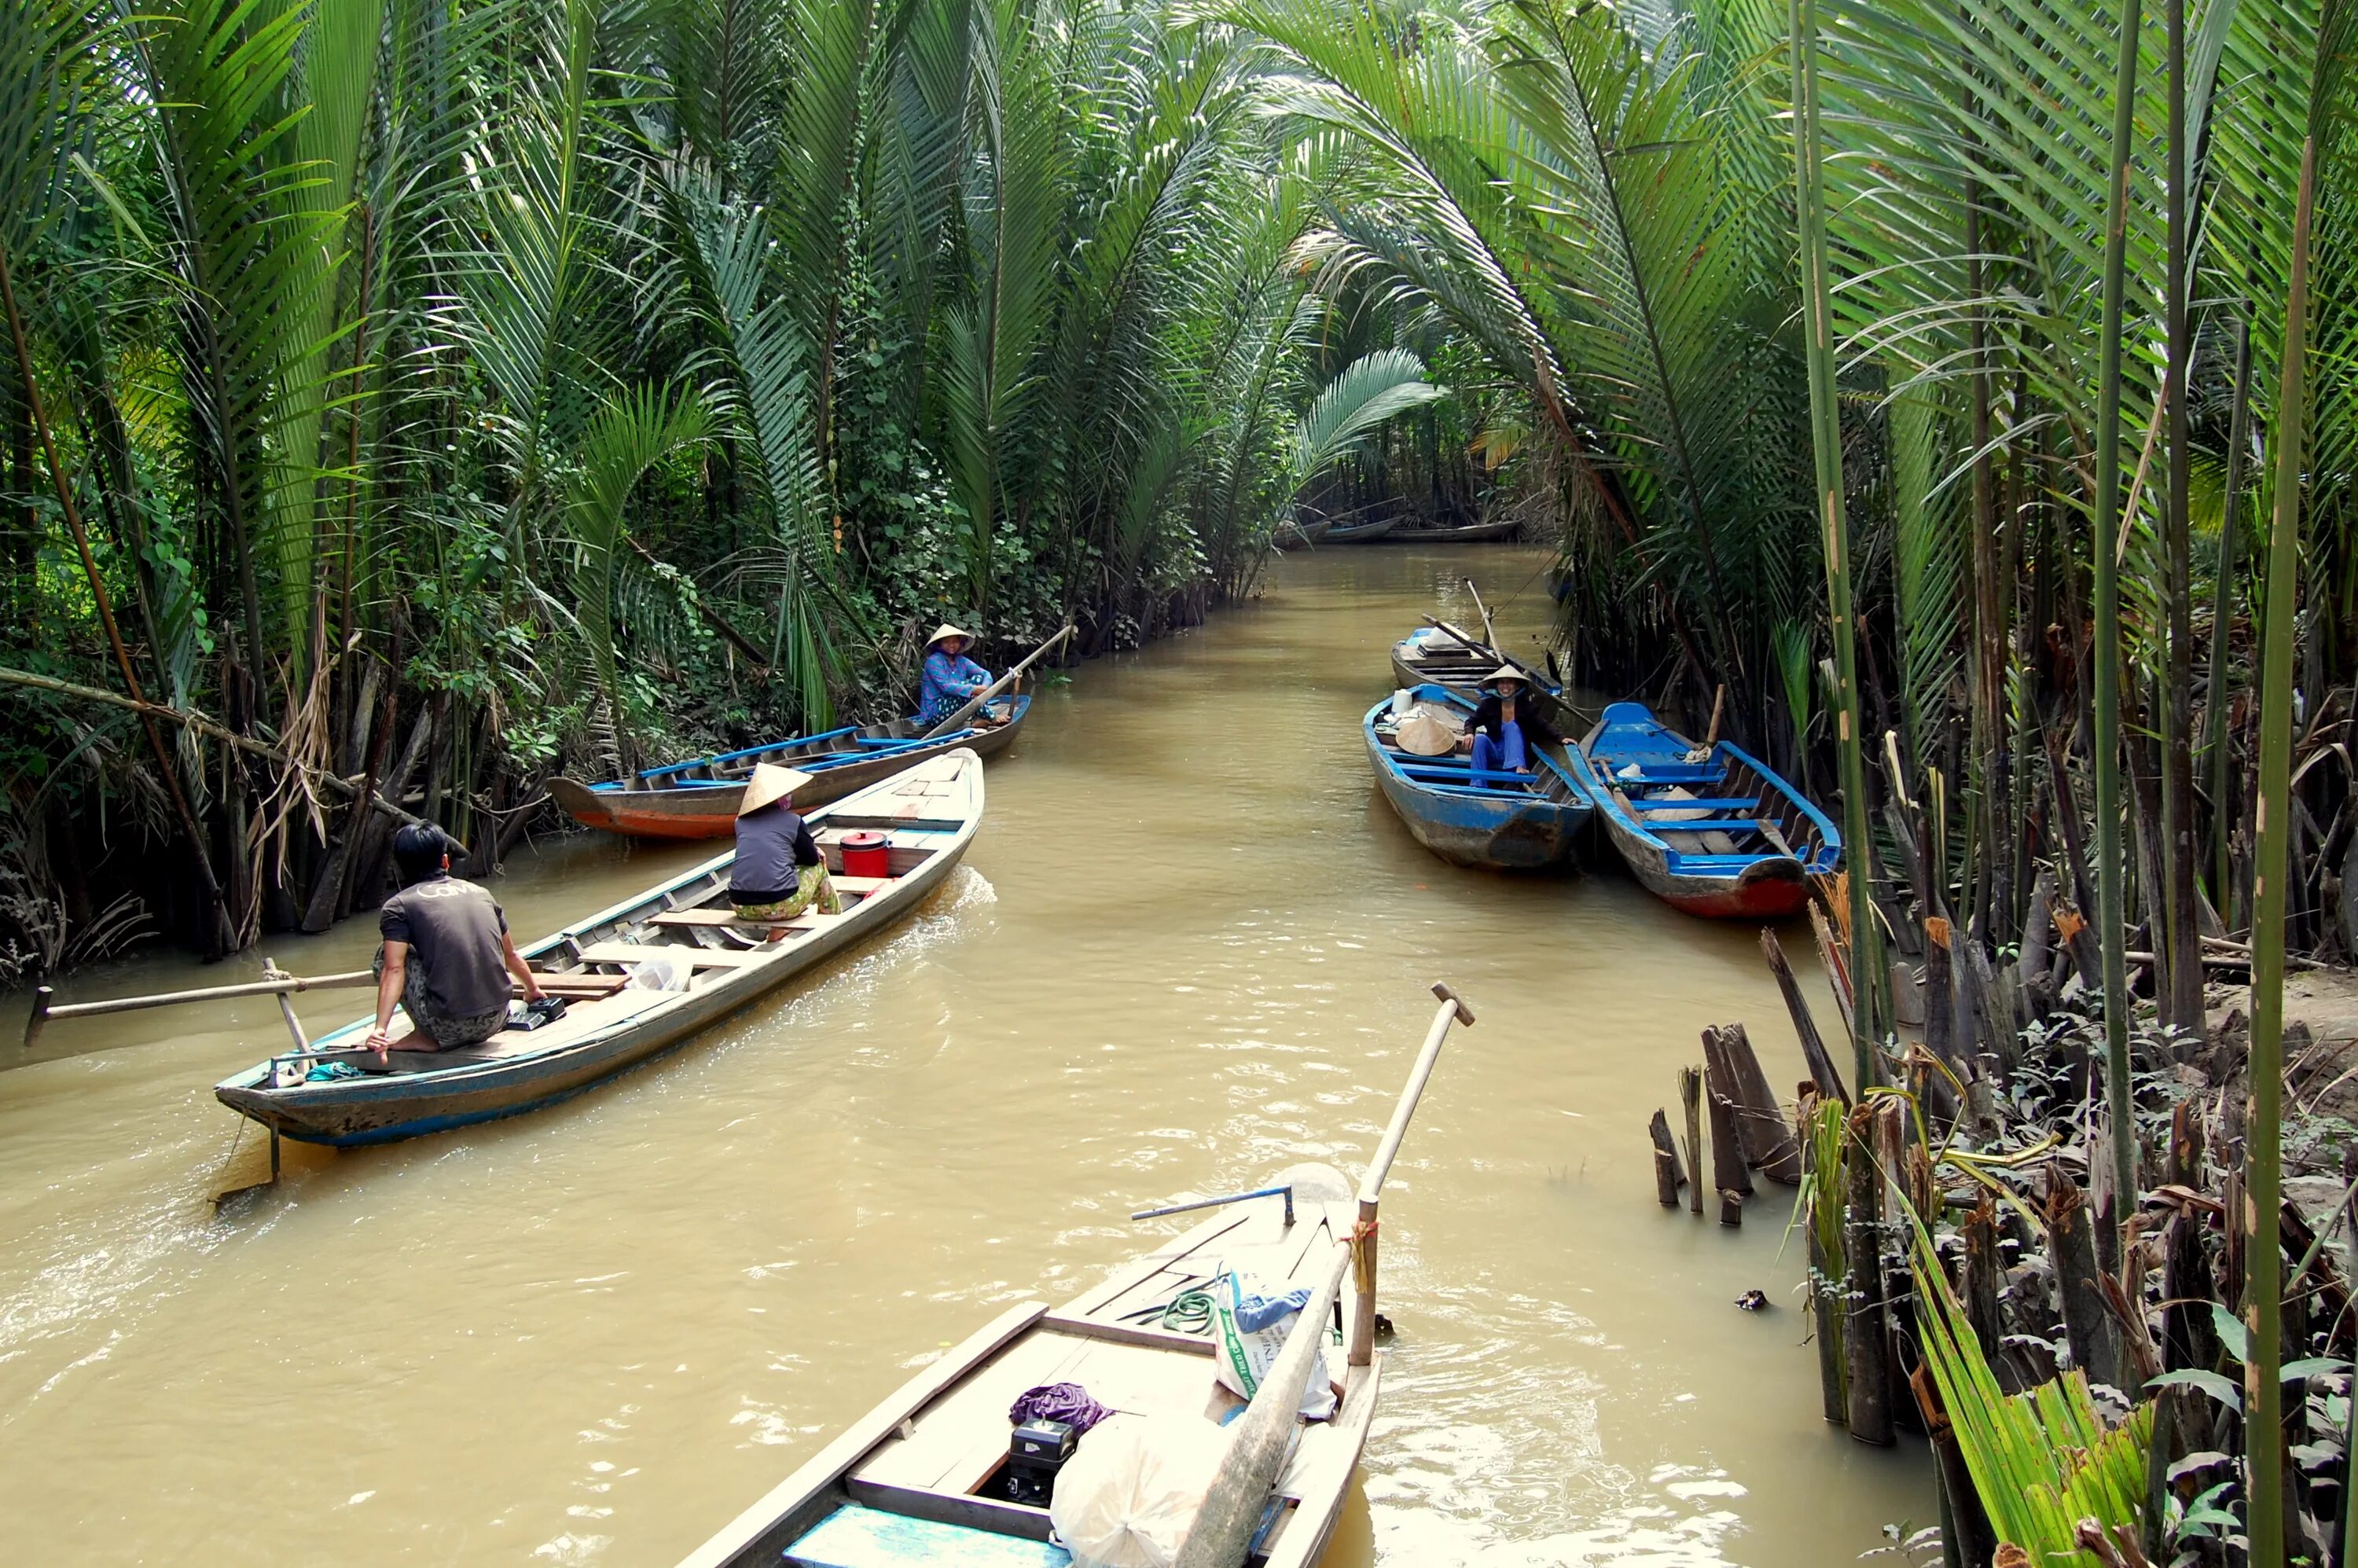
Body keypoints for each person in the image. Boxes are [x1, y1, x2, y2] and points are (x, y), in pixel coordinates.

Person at [365, 824, 545, 1062]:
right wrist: (532, 990)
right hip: (499, 1017)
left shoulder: (399, 906)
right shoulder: (481, 893)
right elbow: (510, 955)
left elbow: (394, 969)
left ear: (399, 868)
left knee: (384, 956)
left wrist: (380, 1029)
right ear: (446, 861)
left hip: (446, 1029)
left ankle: (423, 1036)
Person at [730, 763, 844, 923]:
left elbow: (763, 850)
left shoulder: (740, 822)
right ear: (778, 798)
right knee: (819, 867)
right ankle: (832, 918)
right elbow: (811, 860)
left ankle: (778, 931)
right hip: (782, 906)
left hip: (740, 906)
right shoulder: (793, 821)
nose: (790, 796)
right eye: (787, 794)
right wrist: (814, 851)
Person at [1461, 665, 1567, 783]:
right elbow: (1471, 721)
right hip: (1496, 751)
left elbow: (1543, 725)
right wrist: (1469, 733)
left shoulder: (1526, 707)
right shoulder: (1488, 705)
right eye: (1502, 683)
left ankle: (1518, 767)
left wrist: (1561, 739)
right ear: (1497, 686)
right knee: (1480, 738)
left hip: (1518, 754)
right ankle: (1477, 784)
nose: (1505, 687)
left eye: (1510, 683)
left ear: (1517, 686)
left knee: (1511, 726)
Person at [916, 623, 999, 728]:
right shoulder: (934, 661)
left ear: (960, 643)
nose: (951, 645)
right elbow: (946, 687)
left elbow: (985, 674)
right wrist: (973, 689)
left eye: (955, 641)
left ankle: (978, 718)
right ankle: (990, 717)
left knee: (978, 678)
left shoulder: (961, 660)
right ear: (940, 644)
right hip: (934, 713)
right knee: (966, 691)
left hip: (955, 710)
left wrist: (984, 687)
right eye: (947, 642)